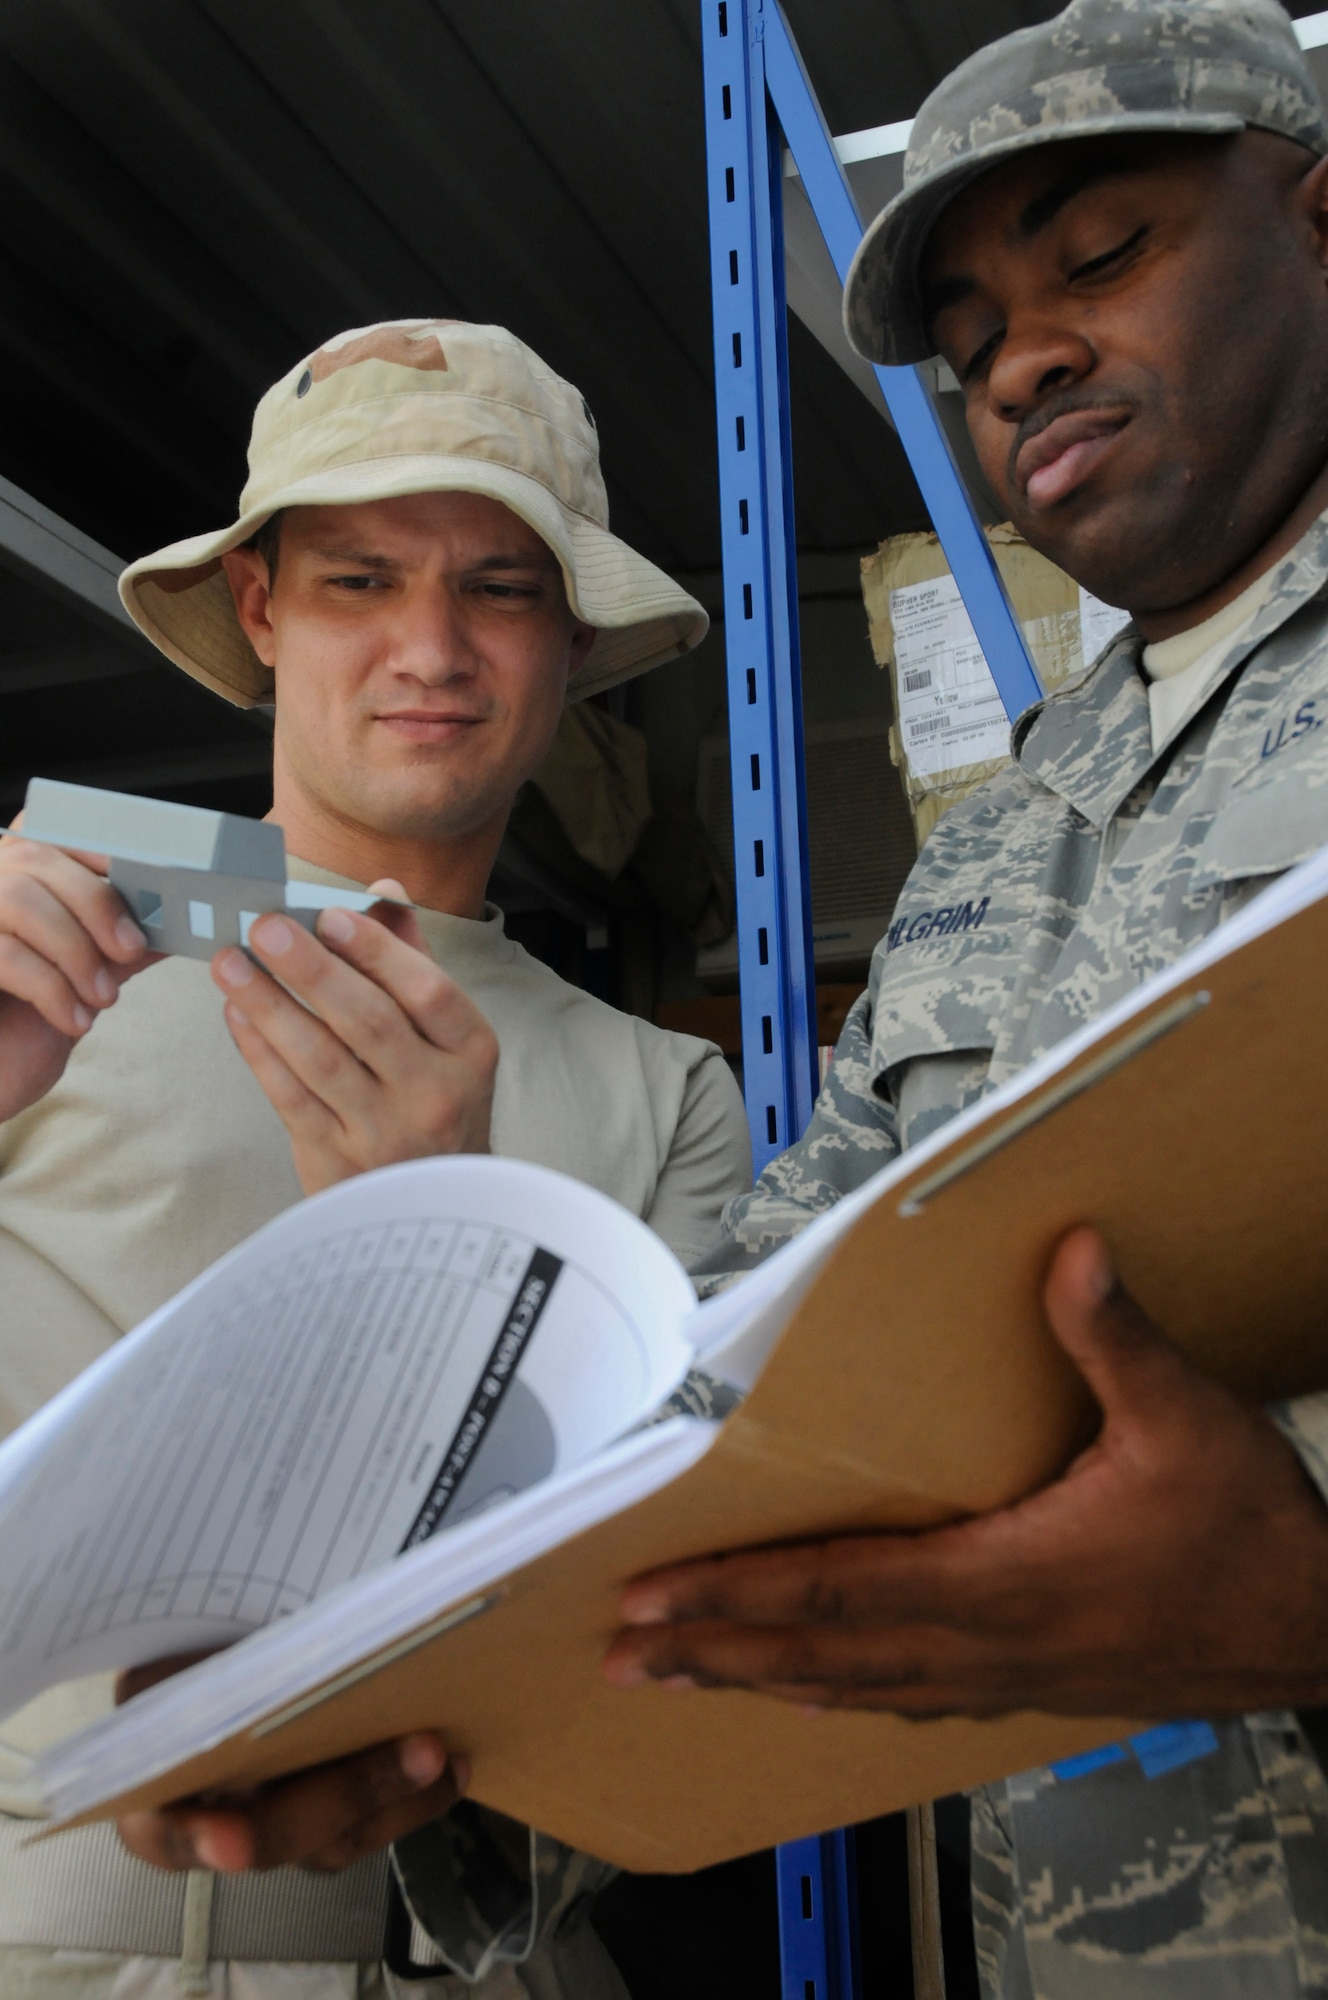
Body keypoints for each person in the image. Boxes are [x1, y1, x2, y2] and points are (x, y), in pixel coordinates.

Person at [602, 2, 1328, 1993]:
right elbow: (778, 1314)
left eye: (1100, 257)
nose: (1023, 358)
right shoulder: (1009, 831)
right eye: (971, 334)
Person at [0, 318, 751, 1997]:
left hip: (483, 1956)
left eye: (499, 587)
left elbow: (665, 1626)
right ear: (261, 611)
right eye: (356, 580)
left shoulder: (662, 1092)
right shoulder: (40, 937)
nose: (433, 647)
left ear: (570, 646)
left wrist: (444, 1247)